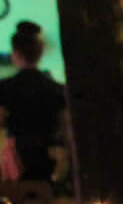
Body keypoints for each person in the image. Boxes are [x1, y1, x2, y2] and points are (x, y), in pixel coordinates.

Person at [0, 22, 70, 185]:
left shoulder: (5, 87)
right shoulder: (56, 88)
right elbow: (65, 126)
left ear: (16, 53)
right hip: (50, 158)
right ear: (40, 53)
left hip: (17, 159)